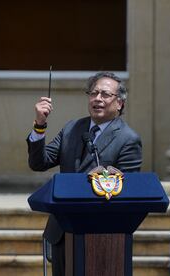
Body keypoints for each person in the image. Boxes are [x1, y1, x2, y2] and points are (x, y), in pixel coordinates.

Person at [27, 71, 142, 275]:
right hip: (63, 230)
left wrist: (100, 178)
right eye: (93, 93)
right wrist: (40, 125)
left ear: (120, 104)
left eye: (105, 94)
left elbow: (127, 194)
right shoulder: (72, 128)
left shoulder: (128, 139)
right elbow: (39, 162)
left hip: (104, 236)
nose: (97, 98)